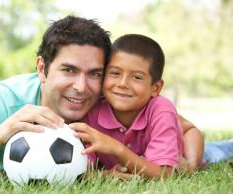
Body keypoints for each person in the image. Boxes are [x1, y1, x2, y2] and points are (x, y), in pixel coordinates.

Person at [0, 15, 111, 181]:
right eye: (69, 70)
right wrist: (0, 133)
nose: (81, 87)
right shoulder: (0, 100)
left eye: (94, 74)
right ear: (42, 68)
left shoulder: (111, 104)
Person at [70, 34, 233, 180]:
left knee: (219, 151)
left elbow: (164, 175)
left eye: (137, 77)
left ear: (155, 88)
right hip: (162, 145)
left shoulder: (161, 108)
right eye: (114, 73)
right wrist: (106, 175)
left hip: (180, 151)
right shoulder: (91, 112)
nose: (123, 83)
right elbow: (84, 171)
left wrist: (117, 149)